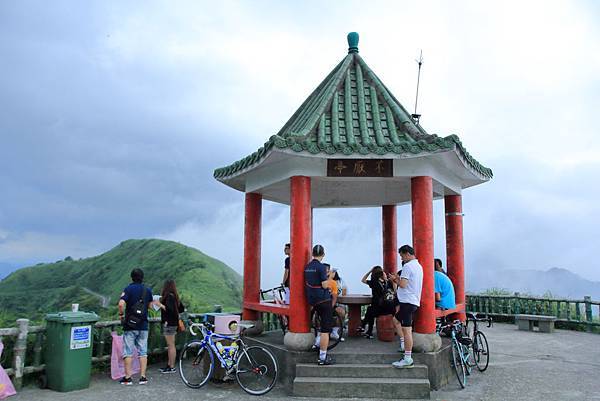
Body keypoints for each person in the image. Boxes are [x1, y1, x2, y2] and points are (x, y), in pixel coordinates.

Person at [118, 268, 156, 385]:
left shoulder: (128, 289)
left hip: (130, 325)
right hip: (143, 325)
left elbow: (121, 304)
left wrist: (121, 315)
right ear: (142, 277)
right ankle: (143, 377)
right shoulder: (147, 290)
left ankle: (128, 378)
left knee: (128, 352)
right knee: (143, 352)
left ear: (132, 277)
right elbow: (150, 306)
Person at [390, 245, 423, 369]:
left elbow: (403, 285)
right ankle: (404, 345)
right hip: (412, 301)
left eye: (402, 256)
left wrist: (395, 280)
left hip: (407, 302)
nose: (401, 258)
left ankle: (408, 358)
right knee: (396, 320)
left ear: (407, 254)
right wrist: (399, 279)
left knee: (407, 331)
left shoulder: (408, 266)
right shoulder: (418, 266)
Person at [304, 244, 334, 365]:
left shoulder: (307, 267)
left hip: (313, 300)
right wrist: (330, 277)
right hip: (324, 300)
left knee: (319, 325)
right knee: (326, 329)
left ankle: (317, 343)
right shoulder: (321, 267)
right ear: (323, 254)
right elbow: (324, 285)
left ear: (312, 254)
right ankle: (322, 357)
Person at [156, 279, 185, 373]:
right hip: (173, 323)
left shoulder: (169, 296)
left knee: (171, 345)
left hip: (169, 323)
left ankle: (171, 366)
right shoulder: (175, 296)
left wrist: (160, 305)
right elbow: (181, 309)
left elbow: (169, 310)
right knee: (171, 345)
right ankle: (169, 365)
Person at [359, 266, 396, 339]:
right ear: (381, 275)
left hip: (383, 308)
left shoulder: (377, 282)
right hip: (385, 308)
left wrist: (370, 271)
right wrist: (393, 282)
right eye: (384, 273)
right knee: (370, 311)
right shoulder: (377, 282)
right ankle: (368, 331)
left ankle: (365, 328)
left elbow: (363, 280)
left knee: (370, 310)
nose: (385, 274)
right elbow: (395, 291)